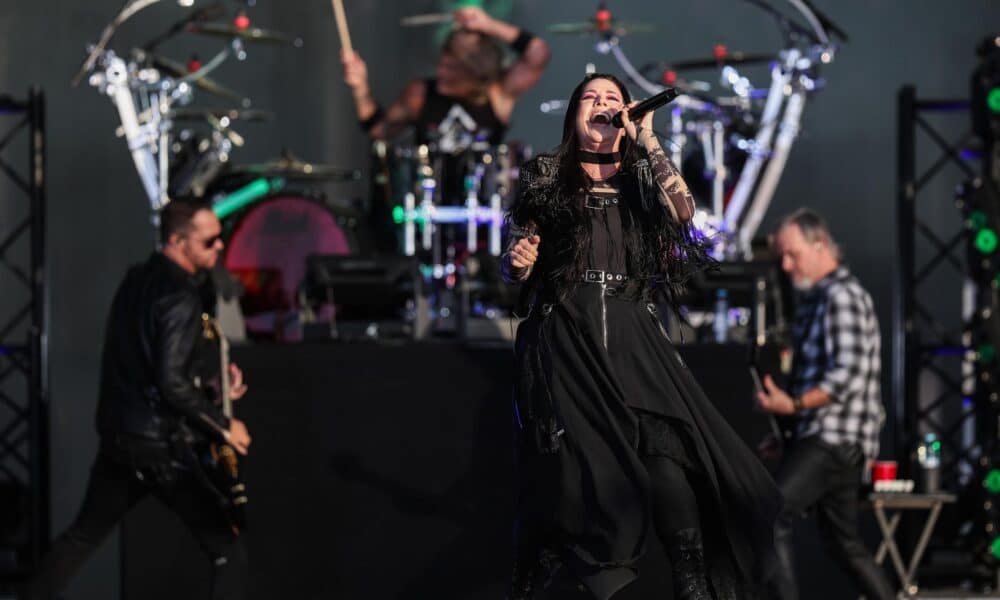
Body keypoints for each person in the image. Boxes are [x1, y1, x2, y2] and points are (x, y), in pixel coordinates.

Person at [502, 73, 781, 600]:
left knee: (666, 455)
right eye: (592, 98)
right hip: (568, 331)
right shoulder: (547, 172)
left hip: (632, 329)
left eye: (613, 99)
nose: (604, 105)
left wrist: (647, 136)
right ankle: (571, 576)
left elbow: (683, 212)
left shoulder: (640, 175)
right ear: (574, 114)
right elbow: (518, 242)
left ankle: (693, 583)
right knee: (575, 473)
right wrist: (517, 262)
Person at [23, 199, 252, 600]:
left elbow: (150, 365)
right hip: (159, 450)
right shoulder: (182, 297)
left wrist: (212, 386)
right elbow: (169, 382)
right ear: (180, 241)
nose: (220, 247)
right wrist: (222, 424)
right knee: (227, 548)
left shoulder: (136, 280)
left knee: (82, 538)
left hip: (121, 438)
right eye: (211, 240)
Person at [756, 209, 893, 600]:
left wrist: (794, 405)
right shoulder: (818, 301)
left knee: (770, 514)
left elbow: (846, 375)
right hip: (827, 439)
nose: (786, 264)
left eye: (792, 254)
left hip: (835, 440)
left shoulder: (843, 296)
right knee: (843, 544)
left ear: (820, 247)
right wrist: (788, 434)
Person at [341, 5, 550, 144]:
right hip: (427, 205)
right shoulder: (420, 93)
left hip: (483, 208)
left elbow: (538, 53)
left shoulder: (497, 92)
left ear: (474, 71)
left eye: (452, 68)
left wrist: (487, 24)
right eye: (442, 64)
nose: (441, 72)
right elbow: (379, 131)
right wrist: (361, 89)